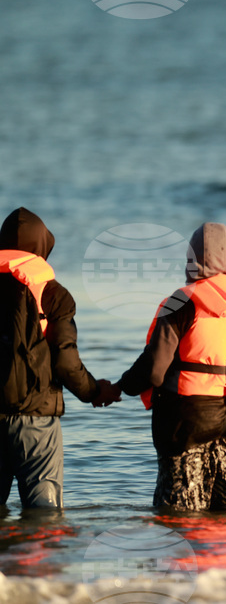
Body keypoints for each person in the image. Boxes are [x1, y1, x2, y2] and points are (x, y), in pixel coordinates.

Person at [116, 223, 226, 511]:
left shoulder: (181, 301)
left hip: (189, 415)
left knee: (180, 512)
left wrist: (119, 387)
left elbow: (154, 369)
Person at [0, 208, 119, 509]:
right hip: (36, 423)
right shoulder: (53, 294)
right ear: (42, 247)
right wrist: (94, 391)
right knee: (44, 521)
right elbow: (66, 363)